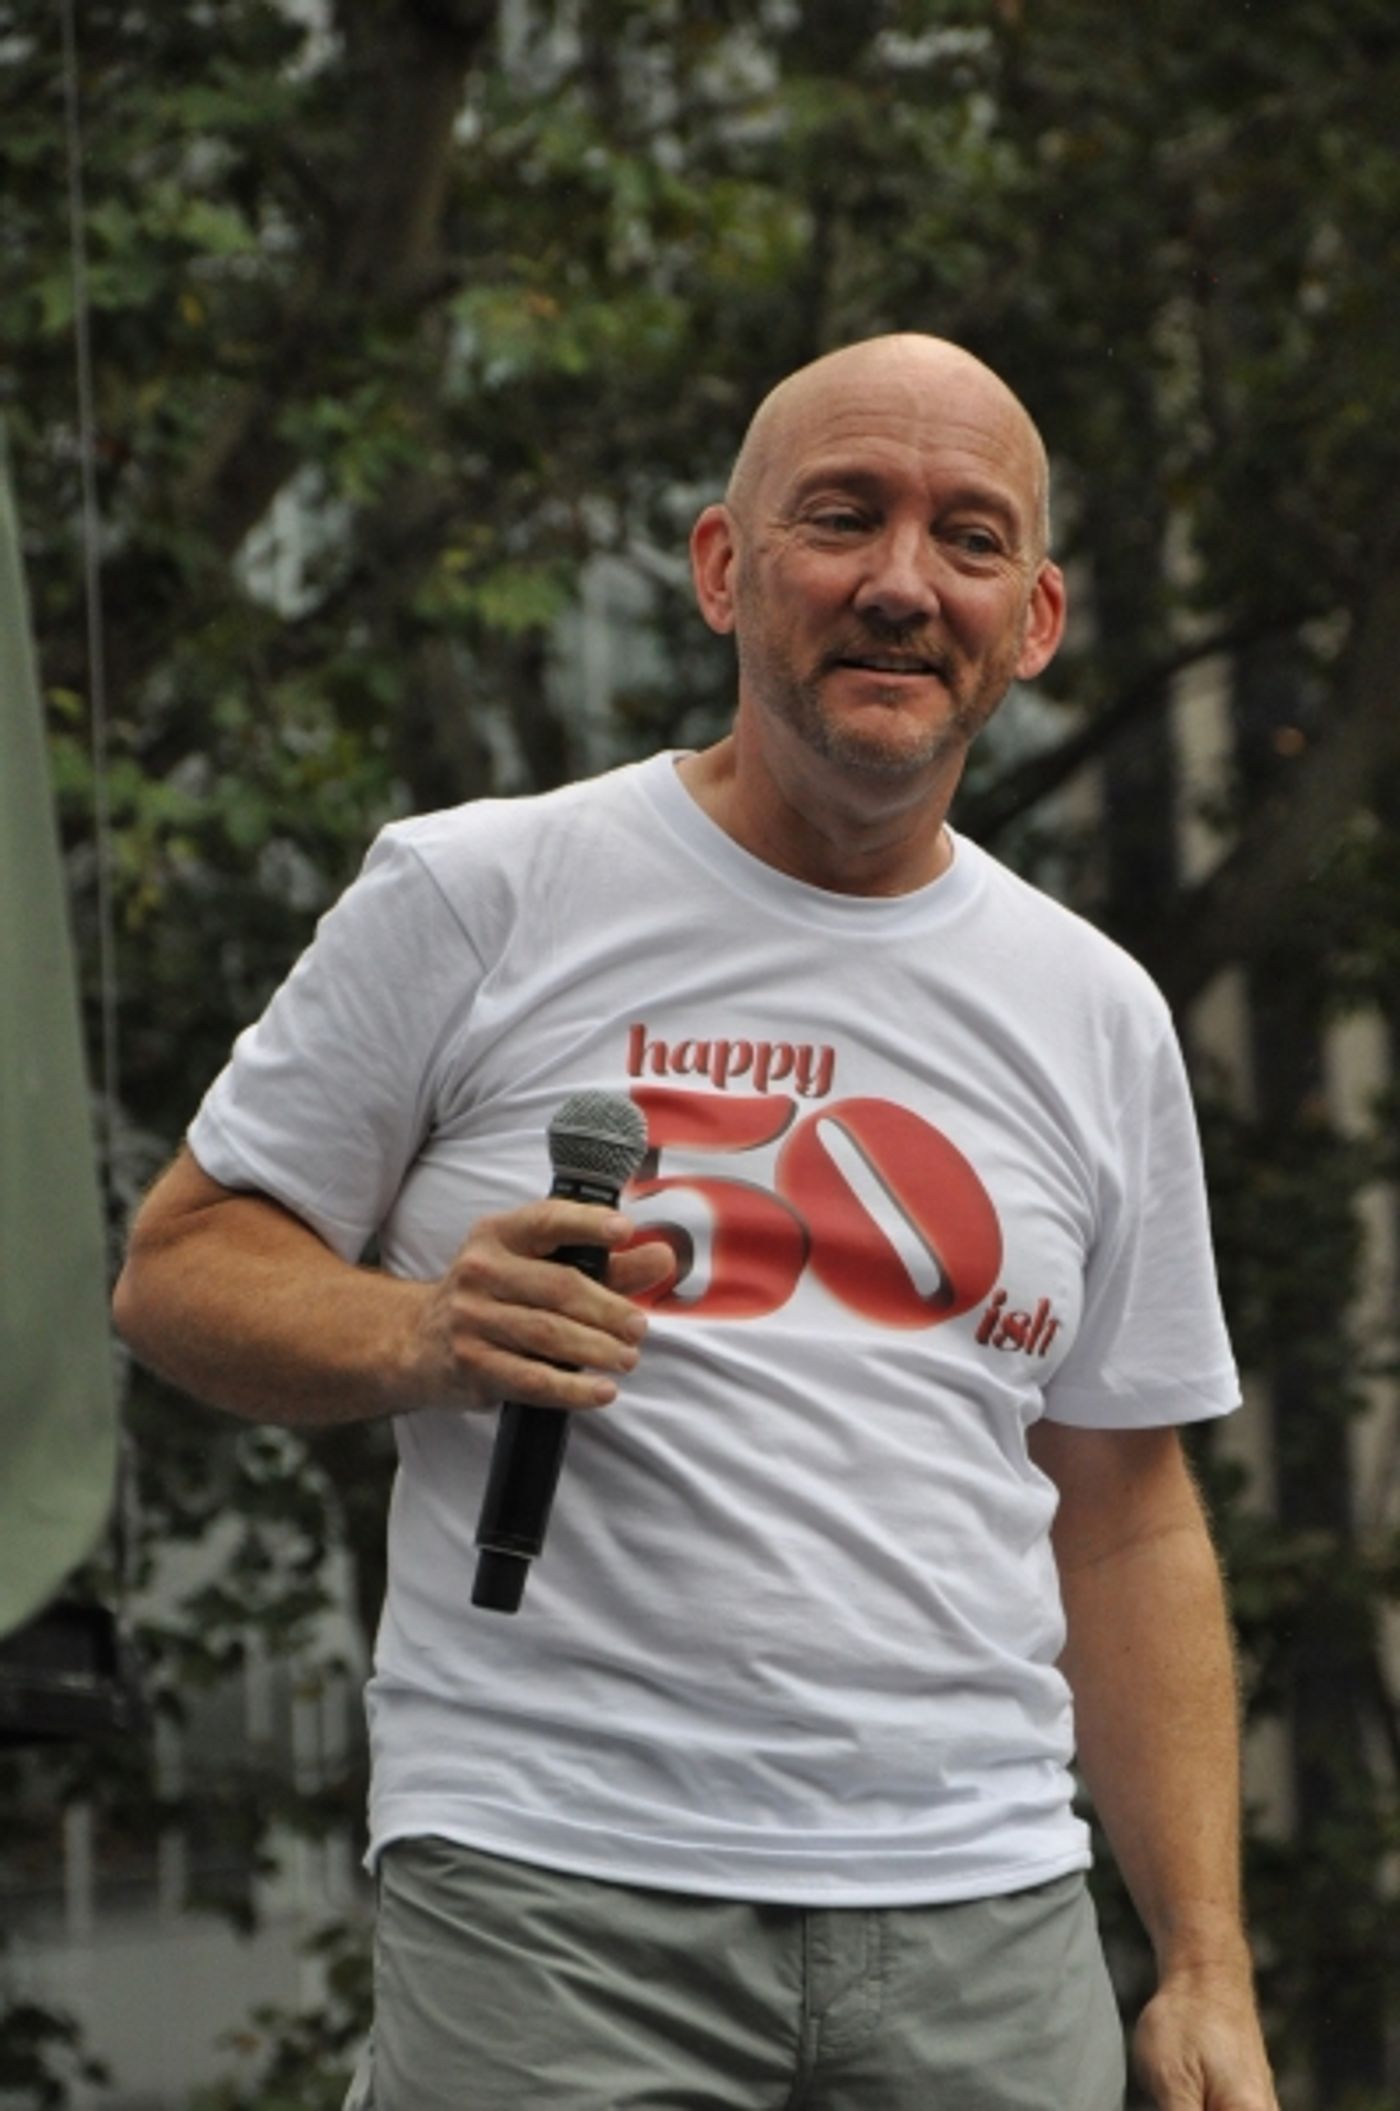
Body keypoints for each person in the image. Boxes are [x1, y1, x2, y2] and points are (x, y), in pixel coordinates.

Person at [114, 333, 1280, 2111]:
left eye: (969, 541)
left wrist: (1203, 1959)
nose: (902, 582)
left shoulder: (1097, 1011)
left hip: (986, 1915)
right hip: (552, 1887)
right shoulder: (476, 889)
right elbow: (180, 1268)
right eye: (843, 517)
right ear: (725, 569)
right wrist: (423, 1336)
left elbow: (1122, 1514)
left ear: (1032, 622)